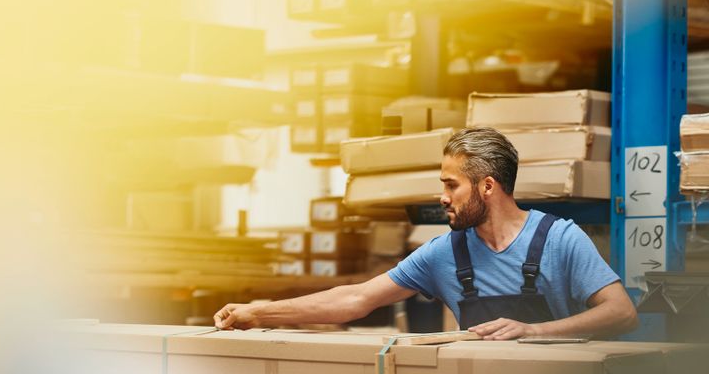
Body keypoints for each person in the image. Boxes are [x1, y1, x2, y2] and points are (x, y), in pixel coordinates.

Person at [214, 127, 638, 340]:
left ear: (487, 186)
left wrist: (534, 332)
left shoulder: (561, 239)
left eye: (451, 185)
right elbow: (355, 299)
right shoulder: (443, 255)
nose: (442, 197)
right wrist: (259, 312)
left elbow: (622, 312)